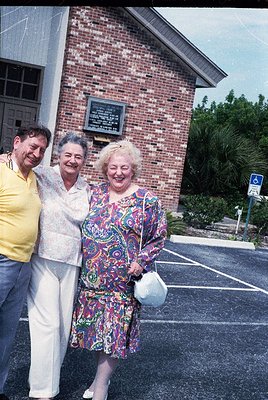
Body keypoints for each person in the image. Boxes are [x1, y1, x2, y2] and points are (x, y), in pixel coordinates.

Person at [70, 139, 167, 400]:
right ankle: (98, 380)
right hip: (92, 282)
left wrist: (142, 260)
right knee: (97, 334)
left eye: (124, 167)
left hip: (123, 283)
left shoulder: (146, 200)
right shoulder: (95, 193)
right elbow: (63, 185)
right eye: (113, 167)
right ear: (105, 168)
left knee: (113, 336)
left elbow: (159, 236)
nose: (119, 173)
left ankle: (101, 385)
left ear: (133, 168)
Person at [27, 133, 91, 400]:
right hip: (42, 258)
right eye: (68, 155)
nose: (72, 160)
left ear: (84, 160)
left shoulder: (87, 188)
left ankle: (51, 382)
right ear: (59, 155)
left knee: (63, 327)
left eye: (78, 156)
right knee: (48, 324)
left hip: (72, 262)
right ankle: (42, 390)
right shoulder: (42, 176)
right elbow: (14, 165)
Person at [0, 125, 51, 400]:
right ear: (17, 142)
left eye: (42, 150)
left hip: (23, 265)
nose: (37, 153)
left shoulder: (34, 178)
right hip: (1, 260)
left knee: (6, 336)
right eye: (32, 146)